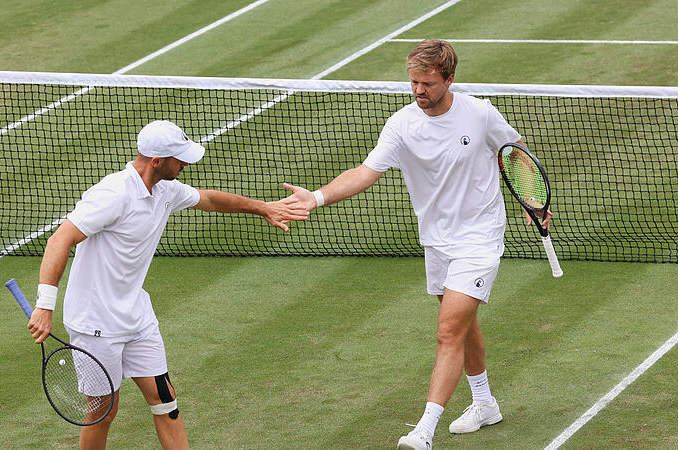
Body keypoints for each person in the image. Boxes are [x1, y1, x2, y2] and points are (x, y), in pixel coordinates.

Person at [281, 39, 552, 450]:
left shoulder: (479, 115)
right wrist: (316, 198)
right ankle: (484, 403)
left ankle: (424, 430)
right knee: (462, 324)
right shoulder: (402, 124)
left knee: (447, 331)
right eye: (413, 82)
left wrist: (532, 200)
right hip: (437, 240)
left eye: (427, 83)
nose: (418, 91)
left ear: (449, 80)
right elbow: (365, 171)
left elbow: (515, 154)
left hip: (479, 236)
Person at [27, 120, 308, 450]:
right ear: (156, 161)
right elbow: (59, 240)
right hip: (95, 323)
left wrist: (263, 208)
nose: (186, 164)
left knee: (166, 401)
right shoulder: (112, 194)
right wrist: (45, 306)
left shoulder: (166, 189)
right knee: (103, 410)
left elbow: (211, 199)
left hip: (137, 317)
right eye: (179, 158)